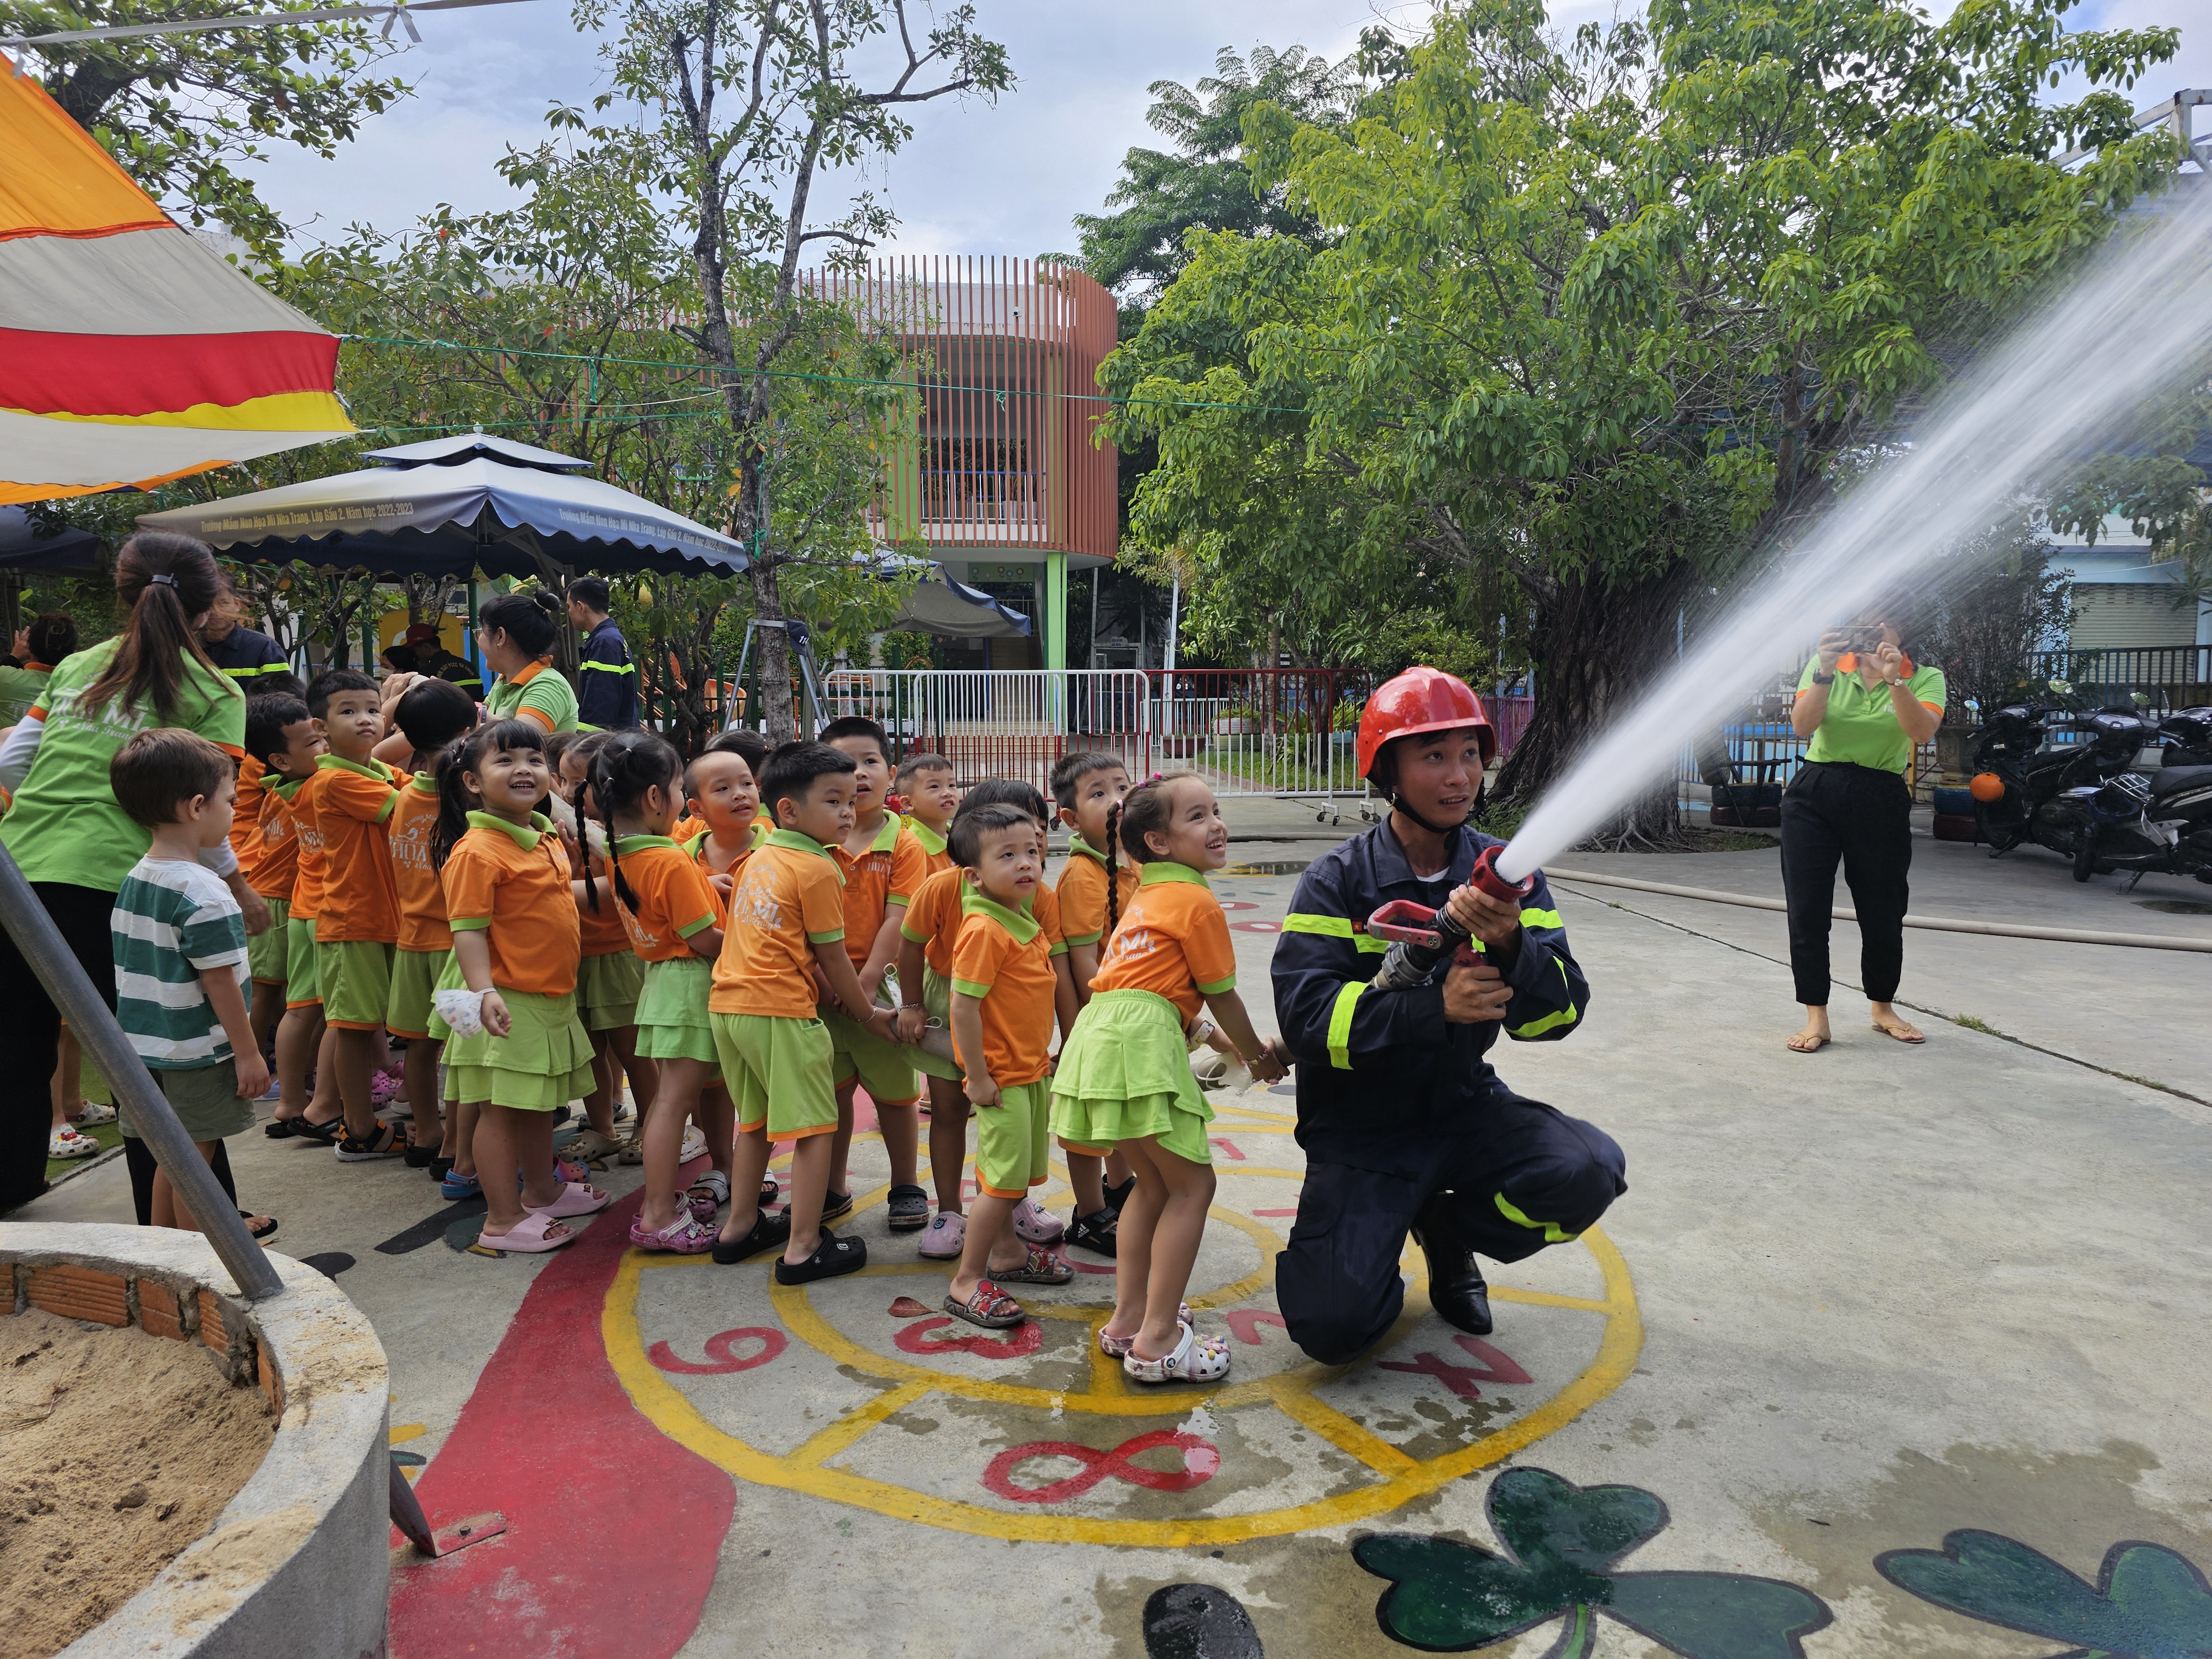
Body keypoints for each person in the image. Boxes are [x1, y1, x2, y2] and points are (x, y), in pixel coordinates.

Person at [1270, 665, 1625, 1366]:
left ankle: (1446, 1225)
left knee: (1585, 1169)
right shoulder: (1336, 881)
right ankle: (1386, 1223)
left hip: (1460, 1104)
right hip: (1361, 1126)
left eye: (1469, 754)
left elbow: (1554, 1018)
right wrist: (1433, 1009)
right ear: (1386, 772)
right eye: (1434, 756)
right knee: (1334, 1331)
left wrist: (1511, 942)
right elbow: (1307, 1018)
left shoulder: (1509, 873)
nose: (1459, 776)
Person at [0, 533, 264, 1214]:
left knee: (14, 1046)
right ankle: (204, 1227)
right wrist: (239, 889)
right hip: (125, 892)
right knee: (156, 1060)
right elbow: (202, 815)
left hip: (19, 875)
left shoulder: (75, 666)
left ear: (124, 592)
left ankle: (15, 1207)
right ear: (209, 607)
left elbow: (11, 766)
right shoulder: (213, 689)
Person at [1052, 773, 1286, 1383]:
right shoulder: (1194, 899)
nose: (1217, 825)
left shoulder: (1147, 896)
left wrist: (1216, 1041)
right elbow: (1220, 993)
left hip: (1101, 1037)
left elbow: (1158, 991)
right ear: (1157, 841)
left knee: (1152, 1189)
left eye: (1216, 811)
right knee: (1191, 1188)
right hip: (1137, 1044)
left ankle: (1128, 1319)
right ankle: (1157, 1341)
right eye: (1198, 816)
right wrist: (1260, 1057)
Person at [707, 741, 895, 1280]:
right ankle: (803, 1247)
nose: (847, 813)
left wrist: (824, 985)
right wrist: (867, 1015)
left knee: (756, 1123)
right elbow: (833, 957)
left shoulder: (761, 856)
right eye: (832, 801)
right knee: (815, 1129)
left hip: (730, 1005)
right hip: (780, 1012)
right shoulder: (818, 870)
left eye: (851, 800)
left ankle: (739, 1228)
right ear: (788, 810)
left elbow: (778, 940)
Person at [427, 720, 609, 1253]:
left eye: (533, 758)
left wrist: (633, 884)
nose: (524, 768)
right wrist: (486, 992)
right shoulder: (478, 851)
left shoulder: (542, 835)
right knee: (500, 1111)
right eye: (504, 760)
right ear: (472, 782)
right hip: (507, 998)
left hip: (546, 992)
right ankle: (503, 1221)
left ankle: (543, 1190)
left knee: (533, 1105)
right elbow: (468, 930)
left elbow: (555, 897)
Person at [895, 780, 1078, 1261]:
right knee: (953, 1109)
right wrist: (912, 1004)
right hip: (951, 1000)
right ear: (970, 853)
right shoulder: (942, 887)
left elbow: (1056, 972)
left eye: (1034, 842)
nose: (1025, 860)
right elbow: (910, 945)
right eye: (1007, 847)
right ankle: (953, 1210)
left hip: (1011, 1016)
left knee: (1007, 1123)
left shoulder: (1039, 895)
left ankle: (1006, 1206)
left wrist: (1072, 1036)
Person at [106, 728, 273, 1237]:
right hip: (198, 1052)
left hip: (145, 1046)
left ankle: (167, 1251)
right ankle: (205, 1262)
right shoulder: (206, 893)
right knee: (195, 1161)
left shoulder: (141, 876)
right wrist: (248, 1052)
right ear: (197, 807)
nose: (235, 808)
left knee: (173, 1157)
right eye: (230, 800)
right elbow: (220, 982)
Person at [591, 733, 731, 1254]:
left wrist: (703, 884)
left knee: (674, 1101)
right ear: (654, 798)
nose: (679, 799)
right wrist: (763, 942)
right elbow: (703, 940)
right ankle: (657, 1213)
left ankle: (663, 1204)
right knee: (673, 1104)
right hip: (689, 984)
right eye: (676, 788)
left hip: (664, 985)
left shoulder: (624, 851)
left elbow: (660, 900)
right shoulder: (670, 860)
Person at [1782, 611, 1947, 1052]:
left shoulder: (1925, 677)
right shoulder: (1829, 669)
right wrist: (1823, 672)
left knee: (1883, 907)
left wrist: (1896, 681)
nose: (1866, 635)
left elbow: (1922, 732)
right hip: (1815, 791)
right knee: (1807, 908)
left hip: (1881, 795)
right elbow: (1802, 727)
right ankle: (1817, 1016)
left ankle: (1882, 1008)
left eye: (1877, 627)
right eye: (1860, 626)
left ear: (1899, 632)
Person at [940, 802, 1076, 1326]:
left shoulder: (1018, 917)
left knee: (1007, 1180)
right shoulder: (983, 929)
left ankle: (1010, 1255)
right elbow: (963, 1006)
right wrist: (976, 1075)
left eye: (1033, 852)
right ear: (974, 875)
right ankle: (967, 1280)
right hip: (1002, 1080)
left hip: (1028, 1071)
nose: (1027, 863)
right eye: (1009, 855)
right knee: (1000, 1187)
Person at [816, 717, 928, 1235]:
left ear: (892, 773)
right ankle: (833, 1188)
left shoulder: (905, 844)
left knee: (895, 1094)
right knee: (831, 1093)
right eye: (844, 765)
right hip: (818, 987)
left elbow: (898, 921)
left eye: (870, 762)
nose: (858, 775)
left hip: (876, 984)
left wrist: (861, 986)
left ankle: (905, 1184)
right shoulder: (808, 842)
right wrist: (826, 981)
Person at [307, 670, 409, 1162]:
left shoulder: (381, 771)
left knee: (370, 1022)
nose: (365, 719)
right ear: (319, 727)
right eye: (348, 711)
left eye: (373, 709)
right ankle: (360, 1130)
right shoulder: (334, 779)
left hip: (386, 916)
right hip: (353, 920)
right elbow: (407, 808)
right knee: (351, 1026)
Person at [385, 678, 478, 1176]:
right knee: (464, 1053)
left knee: (420, 1048)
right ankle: (458, 1150)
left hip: (411, 940)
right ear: (470, 728)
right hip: (455, 946)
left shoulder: (402, 797)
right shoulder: (464, 800)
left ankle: (427, 1131)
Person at [554, 732, 655, 1159]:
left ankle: (651, 1126)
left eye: (579, 783)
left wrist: (577, 869)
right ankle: (601, 1127)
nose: (565, 792)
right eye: (562, 780)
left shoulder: (622, 835)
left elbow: (627, 889)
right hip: (575, 953)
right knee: (590, 1051)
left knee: (633, 1052)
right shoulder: (562, 828)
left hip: (617, 953)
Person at [241, 695, 313, 1074]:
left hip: (275, 896)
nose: (324, 747)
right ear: (280, 760)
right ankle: (251, 1066)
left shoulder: (277, 785)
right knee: (265, 994)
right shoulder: (303, 790)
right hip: (275, 901)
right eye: (313, 743)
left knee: (283, 994)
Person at [478, 589, 577, 735]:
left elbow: (522, 741)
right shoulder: (504, 682)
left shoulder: (549, 685)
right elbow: (476, 726)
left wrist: (474, 711)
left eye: (481, 631)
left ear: (500, 636)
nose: (478, 640)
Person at [198, 577, 294, 690]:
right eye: (208, 604)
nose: (215, 612)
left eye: (223, 603)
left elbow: (283, 704)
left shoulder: (265, 648)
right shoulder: (184, 648)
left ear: (237, 605)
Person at [568, 578, 637, 731]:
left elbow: (599, 709)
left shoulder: (604, 642)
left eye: (569, 606)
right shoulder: (609, 638)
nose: (569, 612)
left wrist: (585, 747)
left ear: (580, 607)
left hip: (607, 747)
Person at [0, 613, 79, 727]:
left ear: (29, 647)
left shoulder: (5, 677)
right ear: (73, 651)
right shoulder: (82, 687)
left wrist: (14, 657)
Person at [895, 751, 958, 876]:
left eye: (952, 785)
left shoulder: (962, 839)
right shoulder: (910, 848)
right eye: (934, 787)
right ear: (908, 803)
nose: (948, 793)